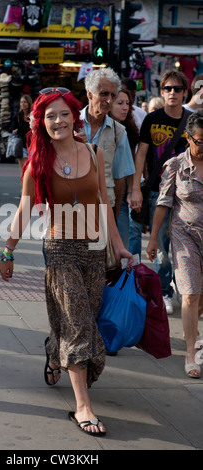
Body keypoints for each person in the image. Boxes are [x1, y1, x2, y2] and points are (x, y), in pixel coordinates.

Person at [0, 88, 133, 435]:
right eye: (49, 116)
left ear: (75, 115)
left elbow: (105, 203)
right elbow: (24, 209)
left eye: (63, 114)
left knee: (86, 320)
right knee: (78, 324)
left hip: (94, 250)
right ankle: (83, 408)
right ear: (41, 123)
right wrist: (7, 250)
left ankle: (52, 347)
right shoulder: (37, 163)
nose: (57, 121)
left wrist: (119, 246)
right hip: (59, 250)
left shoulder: (92, 151)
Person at [146, 110, 203, 378]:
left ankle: (195, 333)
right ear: (188, 138)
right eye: (200, 141)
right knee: (190, 294)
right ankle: (192, 352)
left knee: (200, 297)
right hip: (184, 236)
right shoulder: (175, 165)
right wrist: (154, 238)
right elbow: (163, 203)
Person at [131, 69, 191, 315]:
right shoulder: (152, 119)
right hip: (158, 191)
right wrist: (136, 187)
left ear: (185, 93)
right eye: (168, 89)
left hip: (186, 194)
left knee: (182, 245)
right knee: (161, 247)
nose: (173, 93)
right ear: (162, 92)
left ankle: (180, 286)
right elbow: (142, 153)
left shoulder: (192, 121)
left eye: (177, 89)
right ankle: (164, 291)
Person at [78, 68, 135, 218]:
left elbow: (119, 179)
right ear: (90, 94)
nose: (109, 100)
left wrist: (113, 217)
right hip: (70, 205)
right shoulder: (69, 124)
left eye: (112, 95)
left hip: (102, 208)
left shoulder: (118, 132)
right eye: (104, 93)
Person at [109, 89, 142, 256]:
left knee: (122, 246)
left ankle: (120, 279)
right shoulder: (99, 128)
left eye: (127, 104)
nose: (125, 108)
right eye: (120, 103)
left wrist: (131, 191)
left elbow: (132, 164)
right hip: (101, 195)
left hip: (121, 196)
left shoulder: (128, 129)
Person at [12, 94, 33, 175]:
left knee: (31, 167)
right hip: (21, 144)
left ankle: (31, 186)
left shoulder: (33, 115)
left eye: (25, 102)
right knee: (23, 167)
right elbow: (13, 128)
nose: (23, 104)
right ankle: (24, 186)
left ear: (29, 103)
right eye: (21, 102)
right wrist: (14, 130)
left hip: (32, 144)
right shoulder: (18, 115)